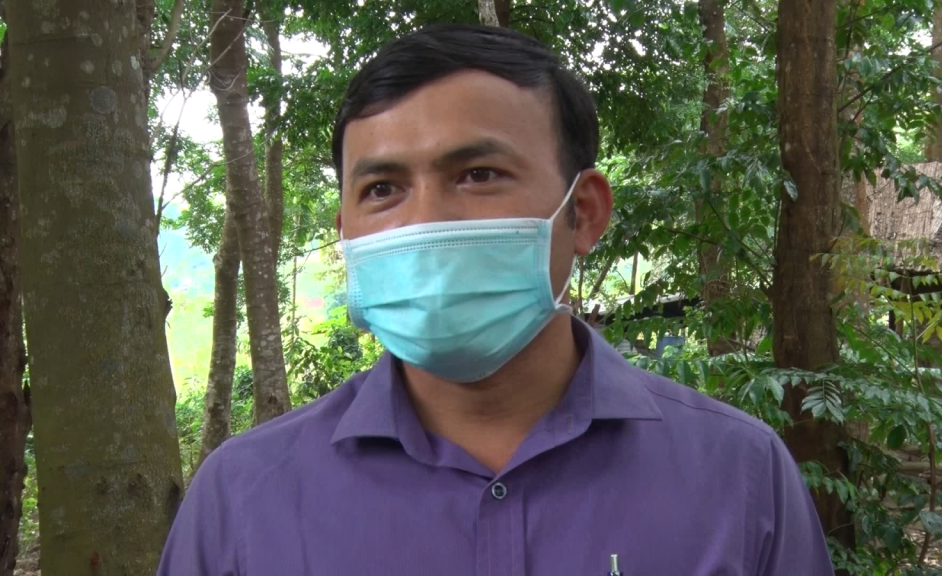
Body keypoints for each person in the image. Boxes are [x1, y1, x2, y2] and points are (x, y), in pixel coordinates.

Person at [158, 24, 836, 576]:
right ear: (346, 233)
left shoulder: (739, 477)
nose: (425, 222)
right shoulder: (243, 499)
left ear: (584, 212)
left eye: (478, 174)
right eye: (382, 190)